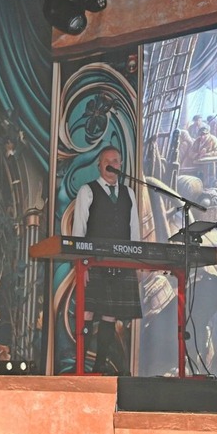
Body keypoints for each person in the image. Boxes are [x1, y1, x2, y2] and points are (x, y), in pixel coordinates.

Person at [71, 145, 142, 374]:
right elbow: (78, 230)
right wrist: (81, 265)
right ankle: (80, 366)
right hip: (94, 262)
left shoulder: (129, 193)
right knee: (88, 311)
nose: (113, 164)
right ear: (99, 165)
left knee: (110, 314)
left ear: (120, 165)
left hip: (120, 263)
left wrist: (137, 264)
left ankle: (99, 368)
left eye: (117, 161)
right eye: (108, 160)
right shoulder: (87, 191)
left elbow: (134, 232)